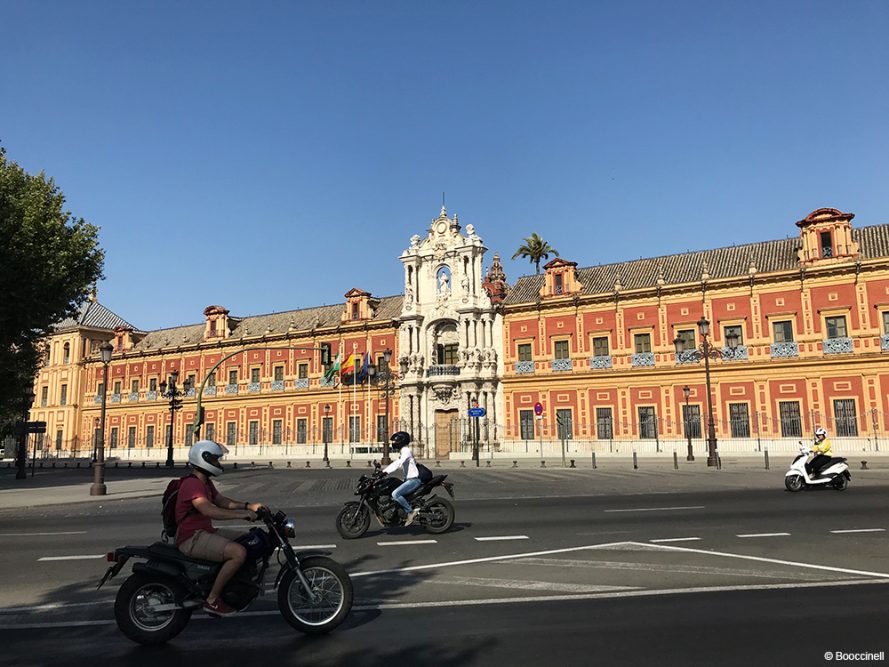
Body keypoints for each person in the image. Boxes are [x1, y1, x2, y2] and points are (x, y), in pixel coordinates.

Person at [175, 440, 264, 617]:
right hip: (191, 538)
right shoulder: (192, 484)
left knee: (248, 540)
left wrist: (248, 505)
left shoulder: (205, 482)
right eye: (215, 460)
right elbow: (208, 509)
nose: (218, 463)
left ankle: (236, 585)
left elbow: (222, 501)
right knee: (238, 552)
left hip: (204, 532)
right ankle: (212, 600)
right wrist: (241, 516)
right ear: (204, 459)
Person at [382, 431, 421, 526]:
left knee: (395, 494)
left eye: (395, 441)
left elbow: (398, 463)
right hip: (408, 480)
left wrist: (385, 472)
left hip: (413, 480)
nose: (394, 443)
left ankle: (410, 512)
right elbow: (398, 462)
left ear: (401, 441)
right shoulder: (403, 451)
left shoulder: (406, 451)